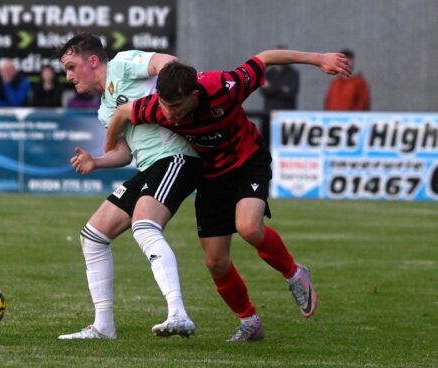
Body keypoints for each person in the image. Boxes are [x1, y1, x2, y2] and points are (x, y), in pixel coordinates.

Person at [105, 49, 351, 342]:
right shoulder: (158, 107)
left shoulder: (224, 86)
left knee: (248, 227)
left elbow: (266, 58)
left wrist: (319, 59)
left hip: (248, 161)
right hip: (212, 175)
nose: (169, 114)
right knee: (215, 262)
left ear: (195, 94)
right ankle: (250, 321)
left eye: (177, 107)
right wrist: (110, 149)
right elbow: (121, 113)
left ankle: (295, 274)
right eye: (165, 105)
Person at [56, 33, 202, 340]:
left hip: (176, 157)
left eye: (71, 66)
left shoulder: (122, 65)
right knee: (93, 236)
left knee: (144, 225)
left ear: (93, 61)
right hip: (149, 167)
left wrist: (146, 107)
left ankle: (179, 314)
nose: (68, 75)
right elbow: (124, 153)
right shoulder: (104, 109)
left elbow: (170, 65)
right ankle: (103, 326)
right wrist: (96, 161)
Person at [259, 46, 300, 112]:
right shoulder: (268, 73)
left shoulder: (293, 73)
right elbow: (263, 91)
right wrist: (282, 88)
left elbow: (291, 93)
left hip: (287, 112)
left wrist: (272, 88)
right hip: (269, 112)